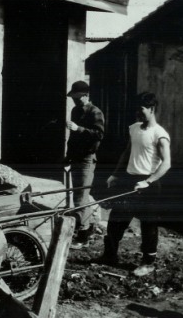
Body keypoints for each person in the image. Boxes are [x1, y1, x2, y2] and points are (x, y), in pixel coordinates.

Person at [101, 92, 172, 277]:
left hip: (149, 183)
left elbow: (166, 164)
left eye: (141, 109)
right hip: (129, 180)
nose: (138, 113)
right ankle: (109, 255)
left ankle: (148, 263)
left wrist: (148, 181)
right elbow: (127, 152)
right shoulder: (133, 128)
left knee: (148, 225)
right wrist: (115, 174)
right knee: (116, 220)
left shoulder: (160, 134)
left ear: (151, 109)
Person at [64, 80, 104, 248]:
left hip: (87, 158)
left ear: (86, 95)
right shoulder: (75, 111)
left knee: (80, 199)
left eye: (78, 97)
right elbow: (73, 138)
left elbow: (99, 135)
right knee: (79, 196)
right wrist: (68, 156)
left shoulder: (95, 112)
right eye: (73, 98)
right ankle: (87, 228)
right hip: (76, 157)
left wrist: (78, 128)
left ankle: (83, 236)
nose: (75, 100)